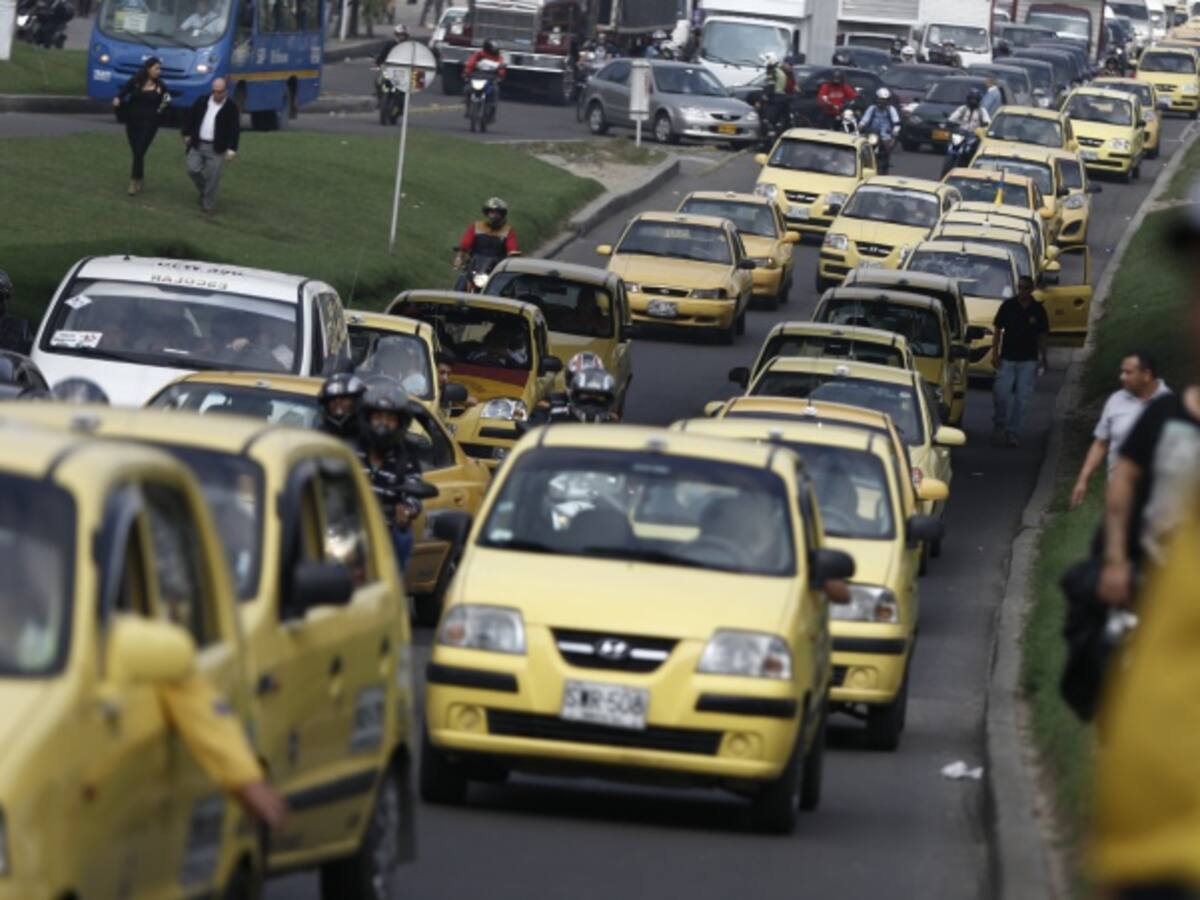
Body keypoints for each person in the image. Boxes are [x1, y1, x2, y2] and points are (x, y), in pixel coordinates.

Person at [1070, 352, 1171, 509]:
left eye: (1128, 372)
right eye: (1122, 372)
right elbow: (1100, 443)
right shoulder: (1116, 400)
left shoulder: (1171, 405)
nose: (1122, 377)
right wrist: (1083, 480)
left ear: (1146, 375)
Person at [356, 380, 424, 570]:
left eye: (390, 418)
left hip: (385, 532)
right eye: (378, 416)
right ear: (367, 418)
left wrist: (407, 510)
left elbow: (415, 496)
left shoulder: (407, 461)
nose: (383, 423)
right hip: (351, 531)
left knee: (404, 535)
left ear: (400, 423)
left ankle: (393, 581)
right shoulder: (350, 453)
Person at [990, 275, 1048, 447]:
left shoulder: (1038, 310)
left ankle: (1013, 432)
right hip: (1007, 358)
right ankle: (999, 423)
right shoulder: (1008, 306)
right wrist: (995, 353)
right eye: (1019, 287)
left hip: (1028, 360)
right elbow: (998, 329)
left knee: (1022, 399)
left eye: (1025, 288)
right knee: (1001, 394)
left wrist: (1043, 357)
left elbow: (1042, 335)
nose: (1021, 291)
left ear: (1031, 290)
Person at [182, 77, 240, 217]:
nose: (216, 95)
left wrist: (232, 149)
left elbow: (235, 129)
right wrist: (186, 133)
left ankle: (208, 205)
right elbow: (191, 116)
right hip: (198, 143)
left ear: (226, 91)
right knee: (192, 169)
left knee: (214, 176)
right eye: (214, 91)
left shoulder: (231, 107)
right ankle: (205, 191)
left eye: (220, 92)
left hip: (217, 147)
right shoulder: (202, 101)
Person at [113, 57, 171, 196]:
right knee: (137, 153)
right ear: (148, 68)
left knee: (139, 151)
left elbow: (167, 100)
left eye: (159, 69)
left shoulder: (161, 86)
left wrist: (159, 112)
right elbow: (122, 93)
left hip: (150, 124)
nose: (159, 71)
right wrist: (117, 100)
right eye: (156, 68)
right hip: (133, 122)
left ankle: (133, 182)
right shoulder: (136, 81)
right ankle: (140, 177)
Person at [455, 196, 519, 273]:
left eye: (497, 213)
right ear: (487, 213)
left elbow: (512, 249)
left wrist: (513, 255)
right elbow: (465, 244)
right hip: (475, 265)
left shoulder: (508, 230)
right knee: (462, 281)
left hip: (496, 268)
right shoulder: (476, 226)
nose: (494, 215)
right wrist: (459, 258)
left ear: (502, 215)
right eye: (492, 212)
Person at [317, 371, 367, 441]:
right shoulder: (318, 436)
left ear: (357, 401)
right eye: (332, 399)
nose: (337, 403)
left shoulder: (369, 436)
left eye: (344, 398)